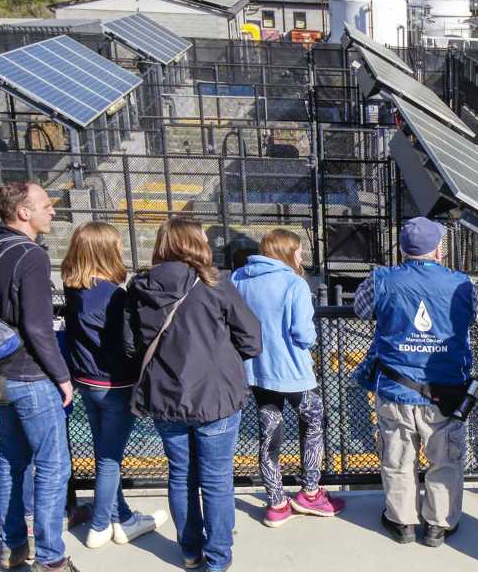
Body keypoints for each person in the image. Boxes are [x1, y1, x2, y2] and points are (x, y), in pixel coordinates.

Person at [126, 217, 262, 572]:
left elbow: (130, 346)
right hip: (215, 398)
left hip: (165, 398)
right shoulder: (215, 284)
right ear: (195, 244)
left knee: (181, 475)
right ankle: (218, 557)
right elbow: (251, 339)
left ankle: (190, 550)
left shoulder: (139, 287)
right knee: (216, 479)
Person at [352, 217, 478, 547]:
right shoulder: (462, 284)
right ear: (438, 250)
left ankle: (402, 523)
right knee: (445, 460)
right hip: (446, 392)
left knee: (397, 457)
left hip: (396, 388)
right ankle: (439, 525)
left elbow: (360, 310)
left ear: (402, 248)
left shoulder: (381, 279)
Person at [0, 181, 78, 572]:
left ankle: (14, 547)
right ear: (23, 212)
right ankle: (52, 558)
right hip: (31, 376)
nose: (52, 211)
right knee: (54, 466)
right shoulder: (31, 256)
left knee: (11, 460)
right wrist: (63, 377)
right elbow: (38, 328)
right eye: (45, 205)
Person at [58, 221, 166, 550]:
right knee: (110, 460)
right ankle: (101, 526)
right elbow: (127, 344)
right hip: (116, 385)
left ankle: (124, 517)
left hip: (87, 382)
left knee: (104, 452)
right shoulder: (115, 296)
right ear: (107, 251)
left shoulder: (74, 289)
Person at [231, 229, 344, 527]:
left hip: (256, 371)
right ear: (288, 252)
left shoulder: (238, 279)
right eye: (299, 250)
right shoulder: (294, 283)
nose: (301, 255)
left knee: (269, 434)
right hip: (294, 373)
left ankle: (276, 502)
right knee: (314, 422)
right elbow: (304, 334)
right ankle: (309, 492)